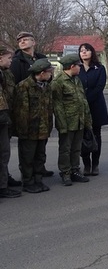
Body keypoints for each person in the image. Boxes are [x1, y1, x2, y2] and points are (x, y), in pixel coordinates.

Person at [9, 31, 53, 180]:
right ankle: (28, 175)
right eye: (19, 40)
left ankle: (39, 169)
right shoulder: (16, 61)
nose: (22, 42)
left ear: (33, 42)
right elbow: (14, 85)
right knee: (28, 144)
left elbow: (50, 78)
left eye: (25, 39)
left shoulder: (41, 58)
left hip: (42, 103)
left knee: (41, 141)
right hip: (26, 102)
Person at [13, 58, 54, 193]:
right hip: (29, 131)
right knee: (27, 158)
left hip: (42, 129)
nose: (51, 74)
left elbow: (48, 108)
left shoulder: (46, 86)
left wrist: (48, 127)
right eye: (49, 71)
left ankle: (38, 180)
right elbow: (21, 112)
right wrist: (23, 132)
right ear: (42, 73)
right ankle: (28, 182)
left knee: (40, 156)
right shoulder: (24, 86)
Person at [52, 54, 92, 186]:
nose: (80, 68)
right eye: (78, 66)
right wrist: (62, 124)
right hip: (67, 122)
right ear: (71, 66)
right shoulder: (58, 82)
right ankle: (65, 172)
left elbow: (83, 100)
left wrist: (87, 120)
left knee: (76, 148)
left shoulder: (76, 80)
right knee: (65, 148)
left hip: (79, 120)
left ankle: (75, 170)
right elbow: (57, 105)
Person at [78, 42, 108, 176]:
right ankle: (86, 164)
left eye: (87, 50)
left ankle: (95, 164)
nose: (84, 52)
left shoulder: (99, 68)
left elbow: (99, 86)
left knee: (96, 135)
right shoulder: (77, 68)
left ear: (92, 52)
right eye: (81, 50)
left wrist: (87, 99)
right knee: (83, 135)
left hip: (96, 105)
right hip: (80, 107)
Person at [0, 48, 21, 198]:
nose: (10, 61)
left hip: (6, 116)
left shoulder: (5, 72)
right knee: (3, 152)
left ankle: (4, 180)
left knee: (4, 152)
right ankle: (2, 187)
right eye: (8, 58)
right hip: (2, 116)